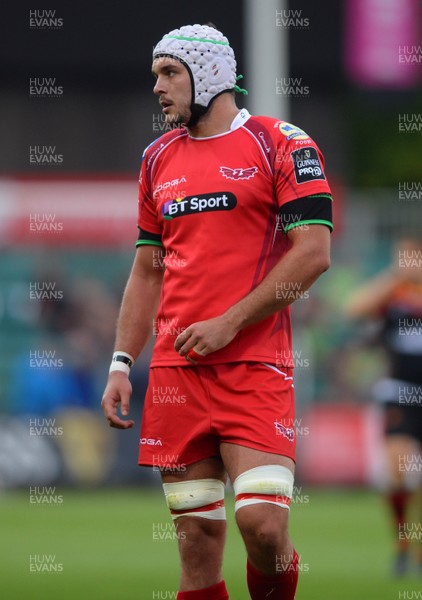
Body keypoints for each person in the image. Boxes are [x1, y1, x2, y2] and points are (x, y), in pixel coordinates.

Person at [101, 23, 333, 600]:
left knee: (263, 526)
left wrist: (230, 321)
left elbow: (314, 255)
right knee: (198, 544)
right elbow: (148, 270)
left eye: (169, 73)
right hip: (178, 376)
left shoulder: (281, 142)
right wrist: (121, 362)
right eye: (156, 74)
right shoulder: (157, 158)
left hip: (254, 366)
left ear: (208, 75)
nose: (157, 86)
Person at [346, 237, 422, 576]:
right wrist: (395, 275)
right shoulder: (394, 295)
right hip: (400, 393)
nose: (409, 262)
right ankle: (403, 545)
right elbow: (354, 308)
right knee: (397, 474)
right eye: (403, 256)